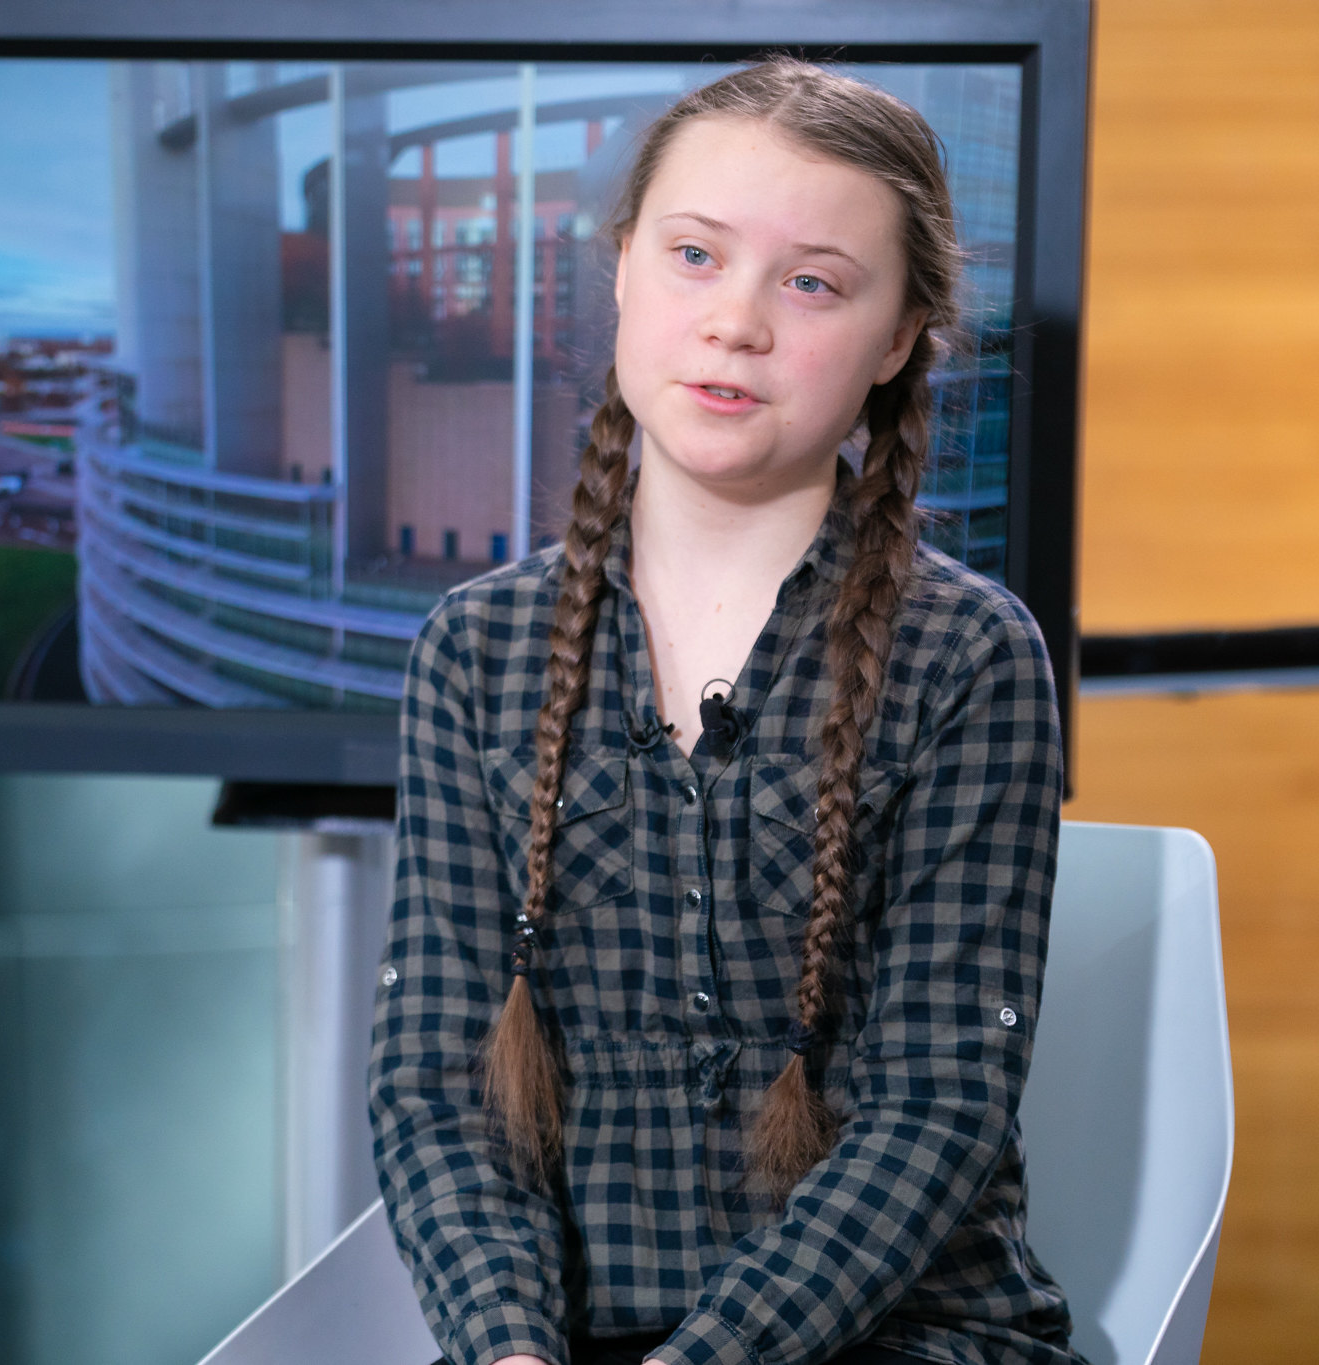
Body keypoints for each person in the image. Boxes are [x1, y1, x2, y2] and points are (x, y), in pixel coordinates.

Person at [369, 58, 1081, 1365]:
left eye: (812, 281)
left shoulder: (972, 653)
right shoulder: (474, 647)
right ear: (625, 266)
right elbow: (438, 1092)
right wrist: (507, 1348)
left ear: (898, 336)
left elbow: (937, 1109)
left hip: (901, 1333)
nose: (737, 321)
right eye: (697, 256)